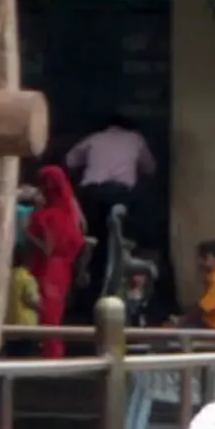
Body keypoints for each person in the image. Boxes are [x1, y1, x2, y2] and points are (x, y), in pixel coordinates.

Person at [65, 113, 156, 264]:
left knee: (90, 235)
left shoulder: (95, 138)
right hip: (119, 194)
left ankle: (87, 271)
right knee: (121, 235)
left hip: (91, 193)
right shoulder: (135, 139)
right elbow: (150, 168)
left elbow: (69, 161)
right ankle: (118, 267)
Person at [25, 165, 85, 359]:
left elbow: (47, 248)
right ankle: (53, 353)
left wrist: (27, 233)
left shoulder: (47, 216)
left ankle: (50, 354)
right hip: (64, 269)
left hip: (47, 268)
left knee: (46, 313)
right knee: (54, 314)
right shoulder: (71, 213)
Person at [4, 243, 41, 356]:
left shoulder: (7, 277)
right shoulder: (27, 278)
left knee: (12, 356)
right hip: (25, 326)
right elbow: (33, 300)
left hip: (9, 324)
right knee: (25, 357)